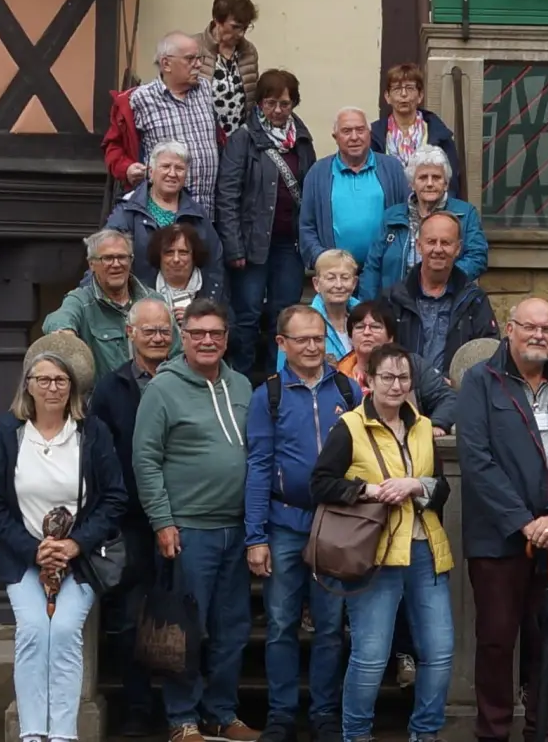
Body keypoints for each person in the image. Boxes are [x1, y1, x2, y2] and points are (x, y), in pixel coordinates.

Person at [455, 298, 548, 742]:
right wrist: (524, 522)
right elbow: (476, 461)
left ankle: (546, 732)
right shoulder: (480, 381)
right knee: (496, 641)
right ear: (510, 329)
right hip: (499, 539)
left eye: (547, 329)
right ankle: (493, 733)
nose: (539, 335)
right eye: (529, 327)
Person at [311, 343, 454, 742]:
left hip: (425, 549)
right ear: (368, 380)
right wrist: (369, 490)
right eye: (387, 377)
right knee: (371, 656)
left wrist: (416, 486)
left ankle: (425, 733)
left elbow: (442, 488)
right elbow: (320, 483)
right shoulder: (349, 426)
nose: (396, 385)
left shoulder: (423, 426)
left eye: (403, 377)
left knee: (440, 652)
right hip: (375, 553)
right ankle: (356, 734)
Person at [0, 352, 125, 742]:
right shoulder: (9, 433)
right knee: (31, 632)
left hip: (81, 559)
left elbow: (114, 497)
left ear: (72, 388)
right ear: (28, 386)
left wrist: (75, 544)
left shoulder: (91, 432)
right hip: (23, 557)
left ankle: (63, 734)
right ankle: (32, 732)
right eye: (42, 379)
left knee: (62, 632)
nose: (52, 388)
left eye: (61, 380)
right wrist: (33, 549)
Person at [131, 299, 258, 742]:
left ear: (226, 338)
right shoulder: (162, 390)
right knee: (184, 631)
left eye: (215, 333)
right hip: (187, 530)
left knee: (233, 629)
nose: (207, 341)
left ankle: (221, 713)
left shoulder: (242, 386)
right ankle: (182, 718)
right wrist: (162, 521)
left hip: (237, 529)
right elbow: (145, 459)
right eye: (198, 333)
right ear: (183, 338)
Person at [245, 306, 358, 742]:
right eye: (302, 339)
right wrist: (255, 536)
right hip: (284, 521)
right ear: (282, 344)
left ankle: (325, 713)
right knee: (279, 624)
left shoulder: (348, 390)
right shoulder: (268, 395)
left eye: (318, 339)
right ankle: (281, 714)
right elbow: (258, 465)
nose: (312, 347)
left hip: (335, 523)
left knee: (330, 626)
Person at [88, 298, 174, 737]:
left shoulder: (189, 381)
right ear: (130, 333)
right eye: (149, 330)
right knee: (128, 619)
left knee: (183, 615)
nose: (157, 338)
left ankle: (182, 709)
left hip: (185, 517)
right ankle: (138, 707)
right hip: (130, 522)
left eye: (164, 330)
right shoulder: (111, 388)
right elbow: (99, 457)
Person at [217, 68, 317, 374]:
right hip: (251, 245)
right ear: (259, 103)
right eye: (270, 103)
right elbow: (227, 195)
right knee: (247, 315)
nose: (277, 110)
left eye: (284, 104)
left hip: (290, 244)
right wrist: (234, 247)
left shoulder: (302, 140)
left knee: (284, 315)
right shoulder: (242, 139)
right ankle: (243, 379)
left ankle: (280, 379)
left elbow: (310, 188)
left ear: (294, 103)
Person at [358, 144, 489, 300]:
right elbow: (373, 266)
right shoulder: (391, 216)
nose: (429, 183)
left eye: (436, 177)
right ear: (411, 183)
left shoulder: (465, 214)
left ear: (446, 184)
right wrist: (368, 307)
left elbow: (477, 257)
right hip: (396, 303)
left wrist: (442, 279)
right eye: (422, 178)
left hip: (447, 301)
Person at [377, 212, 499, 376]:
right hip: (404, 388)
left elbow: (490, 355)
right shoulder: (393, 299)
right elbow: (379, 355)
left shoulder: (474, 301)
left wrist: (458, 383)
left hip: (457, 390)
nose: (438, 249)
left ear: (458, 248)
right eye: (431, 242)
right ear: (419, 246)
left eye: (446, 242)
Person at [104, 140, 225, 305]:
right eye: (166, 166)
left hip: (189, 308)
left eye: (179, 168)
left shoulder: (197, 213)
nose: (172, 173)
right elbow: (104, 256)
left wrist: (204, 308)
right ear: (151, 172)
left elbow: (214, 264)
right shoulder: (128, 212)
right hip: (139, 306)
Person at [299, 107, 408, 271]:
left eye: (360, 130)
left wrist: (396, 256)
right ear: (335, 137)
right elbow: (307, 227)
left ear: (369, 134)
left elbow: (407, 217)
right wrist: (321, 258)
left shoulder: (392, 168)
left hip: (384, 272)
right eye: (347, 131)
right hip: (336, 274)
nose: (354, 137)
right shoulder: (318, 173)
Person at [44, 229, 156, 383]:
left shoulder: (153, 300)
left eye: (122, 257)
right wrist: (66, 333)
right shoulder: (82, 300)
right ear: (91, 264)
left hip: (152, 394)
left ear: (131, 261)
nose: (116, 264)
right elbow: (60, 317)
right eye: (107, 258)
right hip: (103, 397)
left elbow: (177, 354)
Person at [128, 31, 221, 216]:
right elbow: (120, 145)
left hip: (208, 212)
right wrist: (127, 168)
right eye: (190, 59)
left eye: (199, 58)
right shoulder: (142, 99)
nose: (198, 64)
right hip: (165, 214)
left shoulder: (205, 89)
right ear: (166, 64)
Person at [336, 300, 458, 431]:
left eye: (375, 327)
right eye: (359, 327)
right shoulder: (336, 376)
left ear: (391, 337)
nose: (366, 332)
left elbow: (449, 398)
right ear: (350, 337)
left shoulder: (412, 365)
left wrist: (435, 425)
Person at [372, 63, 464, 199]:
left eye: (410, 88)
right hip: (388, 206)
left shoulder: (439, 135)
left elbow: (451, 184)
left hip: (431, 206)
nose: (403, 94)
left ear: (420, 95)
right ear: (387, 97)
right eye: (397, 89)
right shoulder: (374, 135)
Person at [279, 249, 360, 372]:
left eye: (345, 278)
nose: (339, 285)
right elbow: (284, 373)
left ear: (354, 283)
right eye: (331, 278)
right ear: (316, 284)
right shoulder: (298, 323)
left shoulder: (367, 319)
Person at [195, 0, 260, 136]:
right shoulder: (194, 49)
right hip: (204, 138)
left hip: (240, 140)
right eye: (235, 27)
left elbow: (251, 100)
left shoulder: (249, 52)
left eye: (245, 27)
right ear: (217, 20)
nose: (241, 33)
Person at [146, 222, 226, 321]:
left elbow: (229, 326)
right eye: (169, 253)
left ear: (194, 256)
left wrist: (196, 321)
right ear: (159, 256)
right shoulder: (143, 290)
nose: (176, 259)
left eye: (183, 253)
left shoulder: (214, 287)